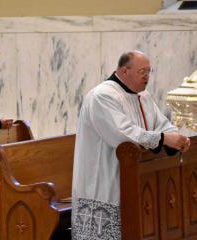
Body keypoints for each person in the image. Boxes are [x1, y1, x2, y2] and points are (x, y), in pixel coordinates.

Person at [71, 50, 191, 240]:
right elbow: (124, 135)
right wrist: (163, 139)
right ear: (124, 71)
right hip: (104, 184)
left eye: (149, 71)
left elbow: (161, 124)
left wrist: (175, 138)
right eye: (142, 71)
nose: (146, 76)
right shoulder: (102, 96)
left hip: (136, 182)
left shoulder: (143, 96)